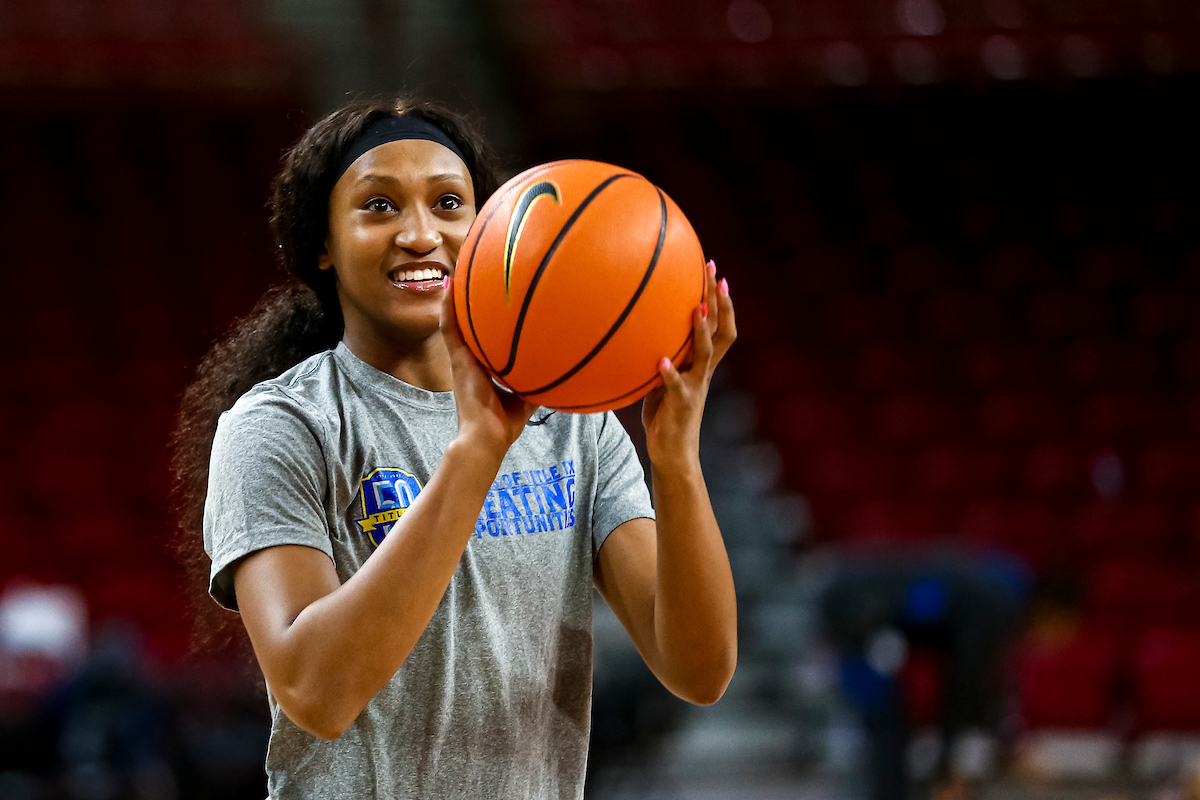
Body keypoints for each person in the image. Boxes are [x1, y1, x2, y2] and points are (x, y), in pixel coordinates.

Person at [169, 95, 738, 800]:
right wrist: (476, 455)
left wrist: (676, 460)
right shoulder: (281, 424)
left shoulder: (574, 425)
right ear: (324, 242)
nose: (420, 235)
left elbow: (699, 669)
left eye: (448, 203)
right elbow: (316, 690)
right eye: (379, 207)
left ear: (489, 229)